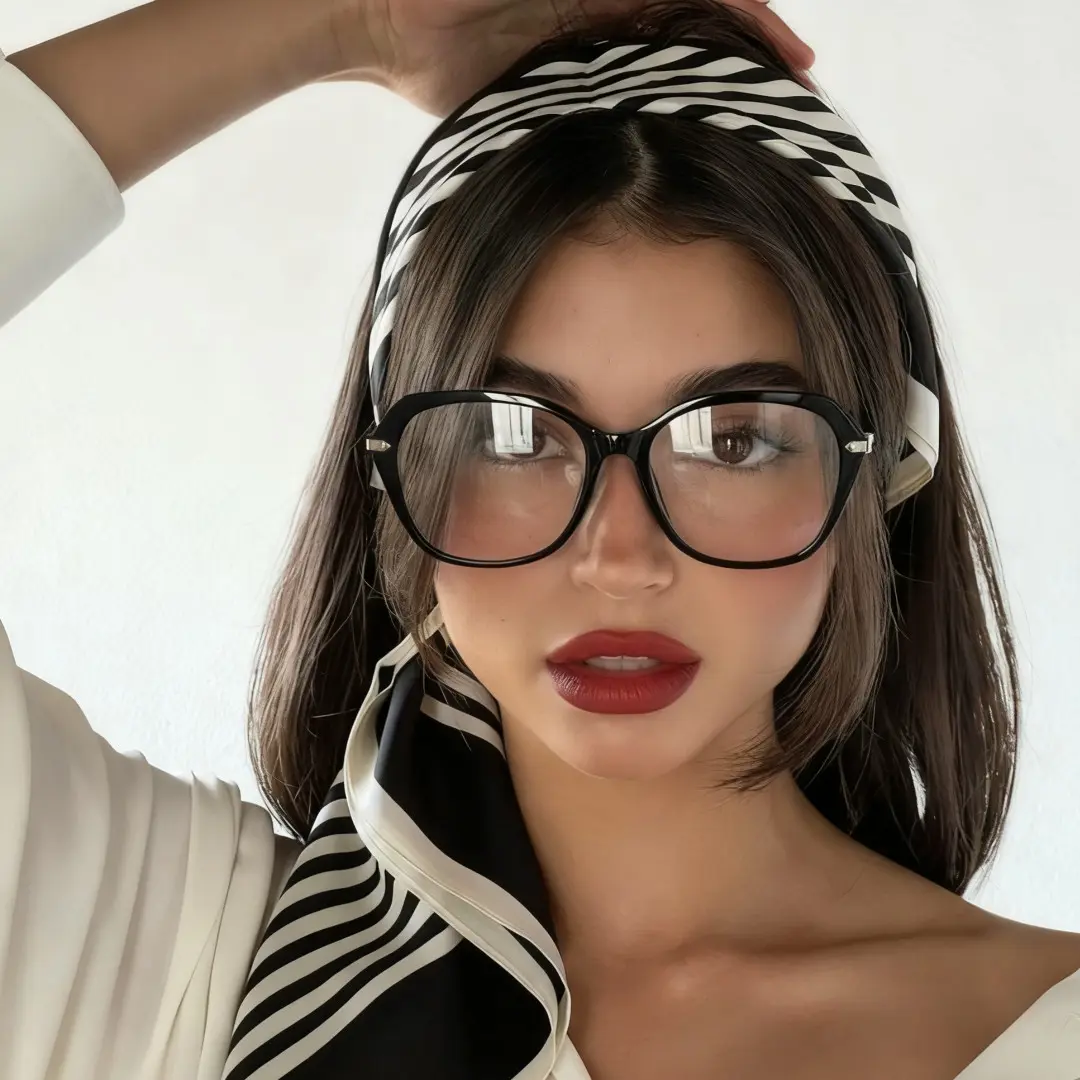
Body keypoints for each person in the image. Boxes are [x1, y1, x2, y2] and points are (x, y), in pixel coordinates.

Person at [1, 0, 1078, 1078]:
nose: (620, 558)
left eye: (733, 442)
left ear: (881, 472)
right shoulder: (173, 962)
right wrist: (344, 19)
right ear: (396, 470)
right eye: (515, 437)